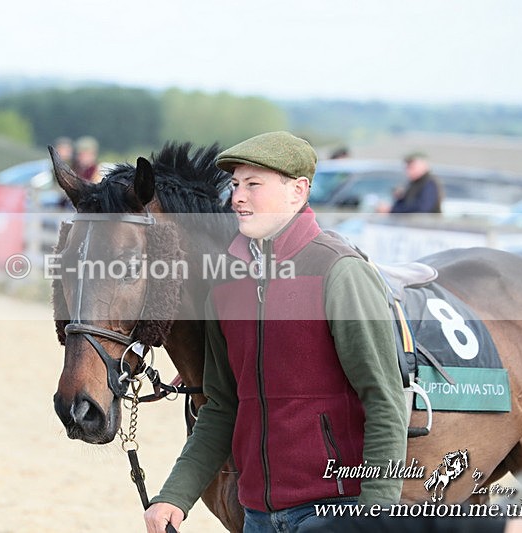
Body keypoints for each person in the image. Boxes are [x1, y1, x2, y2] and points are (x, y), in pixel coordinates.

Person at [144, 131, 408, 533]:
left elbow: (384, 400)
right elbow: (221, 406)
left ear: (297, 191)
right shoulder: (226, 284)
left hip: (336, 512)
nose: (237, 198)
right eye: (235, 185)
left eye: (253, 184)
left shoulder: (339, 272)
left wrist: (376, 516)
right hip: (257, 517)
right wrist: (175, 495)